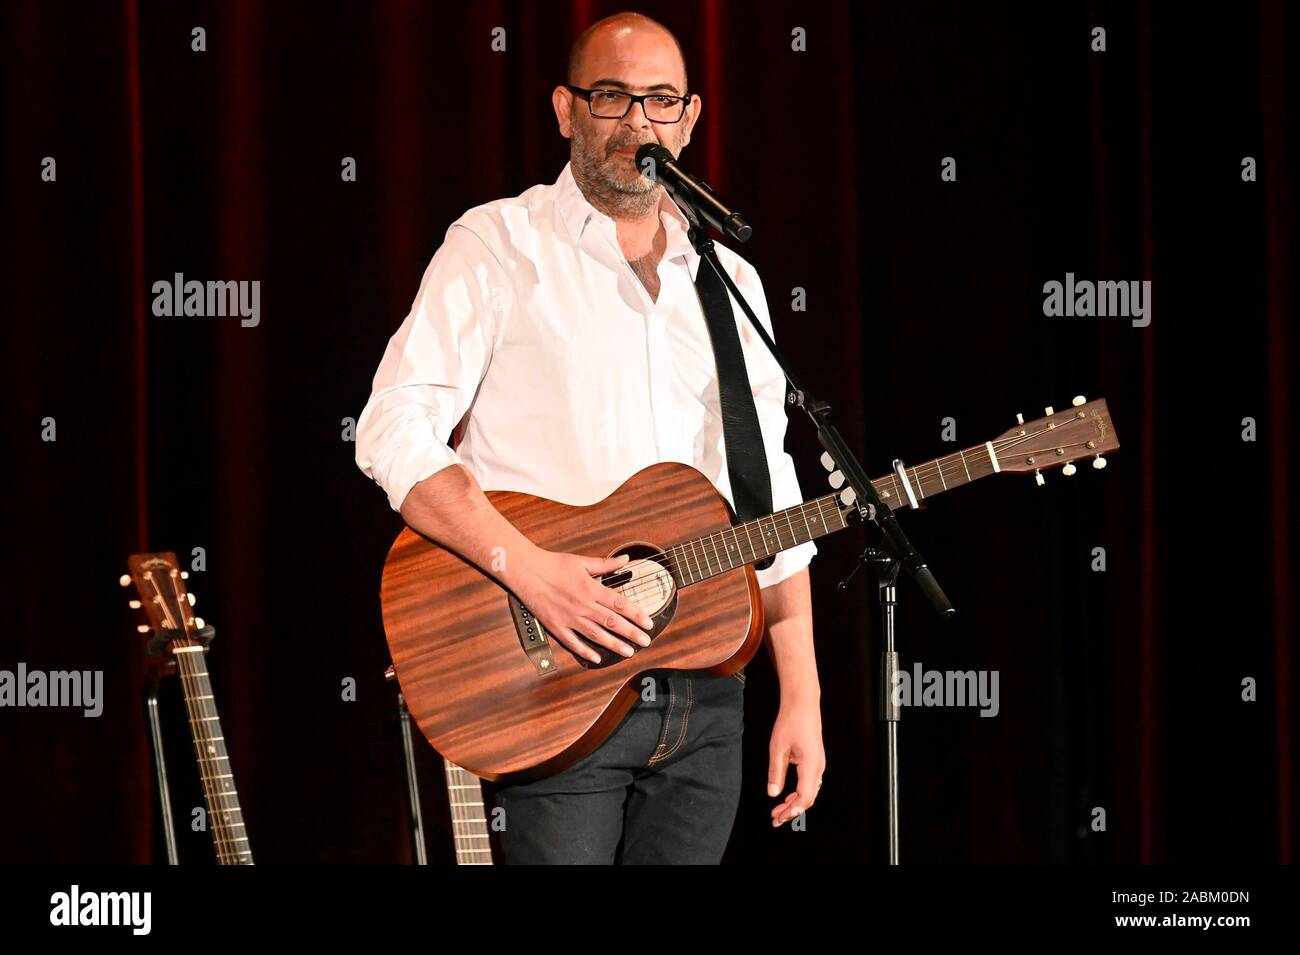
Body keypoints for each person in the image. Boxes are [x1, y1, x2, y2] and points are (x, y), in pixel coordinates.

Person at [356, 11, 824, 864]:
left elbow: (774, 499)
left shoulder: (729, 281)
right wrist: (529, 571)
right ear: (566, 110)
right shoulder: (497, 245)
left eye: (658, 100)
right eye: (612, 97)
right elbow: (392, 426)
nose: (636, 122)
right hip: (554, 679)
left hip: (707, 692)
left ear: (690, 118)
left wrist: (804, 695)